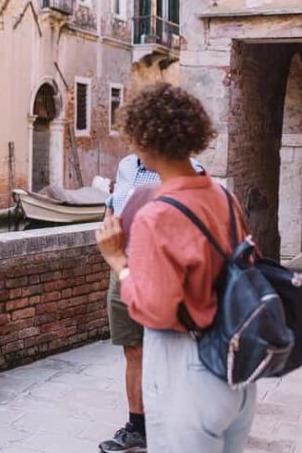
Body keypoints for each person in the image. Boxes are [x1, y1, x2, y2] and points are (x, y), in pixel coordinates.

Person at [96, 82, 257, 453]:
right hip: (235, 372)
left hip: (189, 374)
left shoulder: (157, 213)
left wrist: (118, 260)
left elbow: (156, 309)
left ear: (143, 139)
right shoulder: (225, 197)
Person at [100, 153, 202, 453]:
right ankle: (137, 427)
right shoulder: (126, 165)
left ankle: (181, 424)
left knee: (173, 351)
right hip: (122, 270)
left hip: (164, 275)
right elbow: (113, 205)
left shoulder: (190, 170)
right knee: (133, 350)